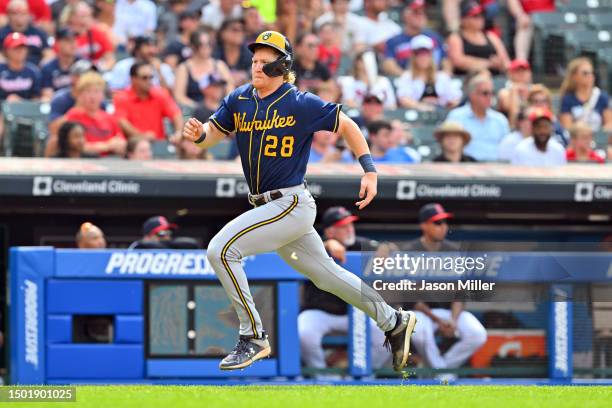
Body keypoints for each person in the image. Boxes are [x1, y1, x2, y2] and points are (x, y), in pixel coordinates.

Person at [181, 30, 416, 372]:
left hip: (290, 203)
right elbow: (212, 134)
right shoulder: (240, 99)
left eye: (266, 61)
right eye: (255, 60)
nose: (257, 66)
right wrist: (200, 135)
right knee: (328, 277)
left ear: (283, 66)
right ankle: (393, 320)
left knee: (221, 250)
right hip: (268, 207)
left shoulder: (299, 102)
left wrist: (369, 170)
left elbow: (347, 124)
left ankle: (253, 337)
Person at [299, 206, 391, 370]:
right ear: (329, 232)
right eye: (342, 226)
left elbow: (387, 246)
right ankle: (322, 375)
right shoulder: (315, 245)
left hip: (356, 312)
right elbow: (298, 252)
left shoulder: (359, 244)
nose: (349, 229)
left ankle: (364, 373)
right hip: (321, 312)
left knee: (388, 333)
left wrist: (386, 248)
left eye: (350, 224)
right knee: (304, 332)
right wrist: (327, 244)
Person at [402, 203, 487, 377]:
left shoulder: (453, 251)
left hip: (449, 312)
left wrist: (454, 320)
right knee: (421, 334)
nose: (443, 227)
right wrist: (438, 320)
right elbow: (410, 297)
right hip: (422, 312)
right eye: (437, 223)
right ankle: (443, 373)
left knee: (477, 334)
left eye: (444, 222)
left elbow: (459, 293)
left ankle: (439, 369)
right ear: (424, 225)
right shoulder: (410, 251)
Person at [113, 61, 183, 142]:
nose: (149, 81)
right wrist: (141, 137)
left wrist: (178, 133)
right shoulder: (122, 97)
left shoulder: (160, 94)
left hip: (159, 144)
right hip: (134, 147)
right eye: (144, 78)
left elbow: (176, 114)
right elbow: (122, 122)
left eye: (151, 77)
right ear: (133, 79)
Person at [446, 73, 510, 161]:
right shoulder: (456, 117)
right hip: (465, 168)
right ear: (472, 95)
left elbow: (507, 149)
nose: (489, 97)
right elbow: (449, 147)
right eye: (485, 93)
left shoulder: (500, 120)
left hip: (496, 169)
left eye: (492, 93)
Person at [65, 71, 126, 156]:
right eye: (88, 91)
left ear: (102, 95)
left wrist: (117, 145)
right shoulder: (73, 115)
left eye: (96, 91)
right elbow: (75, 146)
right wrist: (107, 146)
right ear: (80, 95)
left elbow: (121, 143)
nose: (92, 96)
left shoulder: (110, 118)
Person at [395, 35, 461, 111]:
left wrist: (449, 103)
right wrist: (421, 106)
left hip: (440, 114)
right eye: (419, 54)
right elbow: (404, 99)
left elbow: (455, 99)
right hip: (417, 115)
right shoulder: (407, 77)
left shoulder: (442, 77)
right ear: (413, 56)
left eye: (426, 54)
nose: (423, 57)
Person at [383, 0, 446, 76]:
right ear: (405, 15)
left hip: (433, 81)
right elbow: (388, 65)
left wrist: (439, 78)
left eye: (424, 13)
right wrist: (407, 78)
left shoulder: (435, 38)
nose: (421, 16)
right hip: (406, 83)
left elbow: (446, 61)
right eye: (416, 13)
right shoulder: (394, 41)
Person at [446, 0, 510, 76]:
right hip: (466, 81)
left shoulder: (491, 36)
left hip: (494, 79)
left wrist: (500, 63)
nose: (480, 18)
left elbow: (506, 61)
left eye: (481, 15)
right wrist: (488, 63)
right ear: (463, 19)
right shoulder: (456, 37)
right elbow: (457, 60)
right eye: (475, 16)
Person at [173, 29, 233, 107]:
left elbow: (230, 90)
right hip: (194, 112)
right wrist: (201, 109)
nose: (206, 47)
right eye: (201, 44)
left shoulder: (219, 65)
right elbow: (179, 96)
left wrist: (221, 107)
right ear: (192, 46)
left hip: (219, 111)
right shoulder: (184, 68)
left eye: (209, 44)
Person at [559, 57, 612, 132]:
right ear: (574, 76)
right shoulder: (568, 99)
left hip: (599, 140)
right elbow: (567, 127)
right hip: (577, 140)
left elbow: (609, 124)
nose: (590, 75)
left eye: (592, 72)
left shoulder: (602, 97)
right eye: (585, 73)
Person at [106, 34, 174, 91]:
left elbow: (169, 95)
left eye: (154, 46)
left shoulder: (164, 68)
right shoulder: (123, 66)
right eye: (147, 46)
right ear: (137, 48)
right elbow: (115, 92)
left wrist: (159, 72)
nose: (152, 50)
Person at [62, 2, 114, 71]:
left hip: (95, 71)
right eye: (83, 16)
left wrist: (103, 69)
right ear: (72, 17)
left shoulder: (98, 33)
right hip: (74, 72)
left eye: (89, 15)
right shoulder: (64, 36)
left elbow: (110, 58)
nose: (87, 19)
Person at [0, 0, 51, 66]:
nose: (19, 17)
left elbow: (49, 53)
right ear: (8, 15)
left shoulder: (38, 32)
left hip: (36, 70)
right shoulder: (2, 34)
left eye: (23, 13)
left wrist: (42, 67)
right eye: (15, 13)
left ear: (28, 14)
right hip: (9, 72)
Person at [0, 31, 40, 100]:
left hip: (26, 109)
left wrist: (20, 102)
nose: (20, 51)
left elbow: (36, 100)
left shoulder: (33, 71)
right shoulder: (1, 70)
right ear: (6, 51)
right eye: (16, 47)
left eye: (23, 47)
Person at [41, 28, 77, 100]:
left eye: (74, 40)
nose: (72, 44)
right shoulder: (48, 68)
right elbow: (47, 94)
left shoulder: (84, 64)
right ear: (58, 43)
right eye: (68, 41)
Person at [214, 18, 251, 86]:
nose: (240, 33)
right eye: (235, 30)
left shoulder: (249, 53)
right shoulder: (214, 53)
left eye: (242, 30)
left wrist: (245, 75)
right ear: (222, 33)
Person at [497, 59, 532, 128]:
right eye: (517, 71)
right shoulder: (504, 92)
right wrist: (515, 91)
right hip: (511, 129)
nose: (521, 74)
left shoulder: (534, 89)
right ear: (510, 74)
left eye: (524, 71)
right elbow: (506, 106)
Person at [129, 215, 200, 249]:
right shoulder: (137, 247)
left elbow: (193, 243)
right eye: (162, 233)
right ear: (147, 237)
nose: (167, 237)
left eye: (168, 233)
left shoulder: (172, 250)